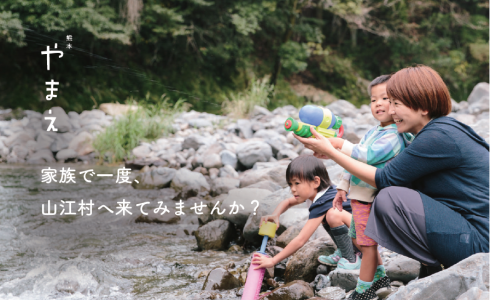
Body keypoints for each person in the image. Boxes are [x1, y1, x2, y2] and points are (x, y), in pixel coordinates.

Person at [294, 65, 489, 295]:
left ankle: (434, 265)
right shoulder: (435, 131)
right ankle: (432, 268)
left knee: (388, 198)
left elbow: (385, 178)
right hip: (470, 232)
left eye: (397, 103)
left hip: (478, 245)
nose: (391, 110)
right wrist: (334, 149)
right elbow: (382, 165)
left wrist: (334, 151)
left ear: (423, 106)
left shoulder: (437, 136)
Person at [322, 75, 413, 299]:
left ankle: (363, 288)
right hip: (359, 197)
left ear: (399, 104)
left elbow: (366, 156)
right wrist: (343, 186)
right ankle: (380, 276)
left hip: (371, 199)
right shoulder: (373, 132)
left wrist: (338, 145)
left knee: (367, 245)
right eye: (373, 100)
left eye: (386, 98)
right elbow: (353, 164)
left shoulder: (393, 136)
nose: (378, 104)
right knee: (361, 240)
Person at [251, 155, 355, 270]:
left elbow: (301, 240)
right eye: (290, 184)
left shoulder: (323, 201)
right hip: (357, 232)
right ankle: (344, 250)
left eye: (297, 183)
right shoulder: (318, 192)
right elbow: (288, 202)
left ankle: (351, 258)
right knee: (329, 216)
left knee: (333, 214)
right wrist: (276, 214)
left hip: (365, 236)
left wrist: (273, 260)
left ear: (316, 182)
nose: (293, 189)